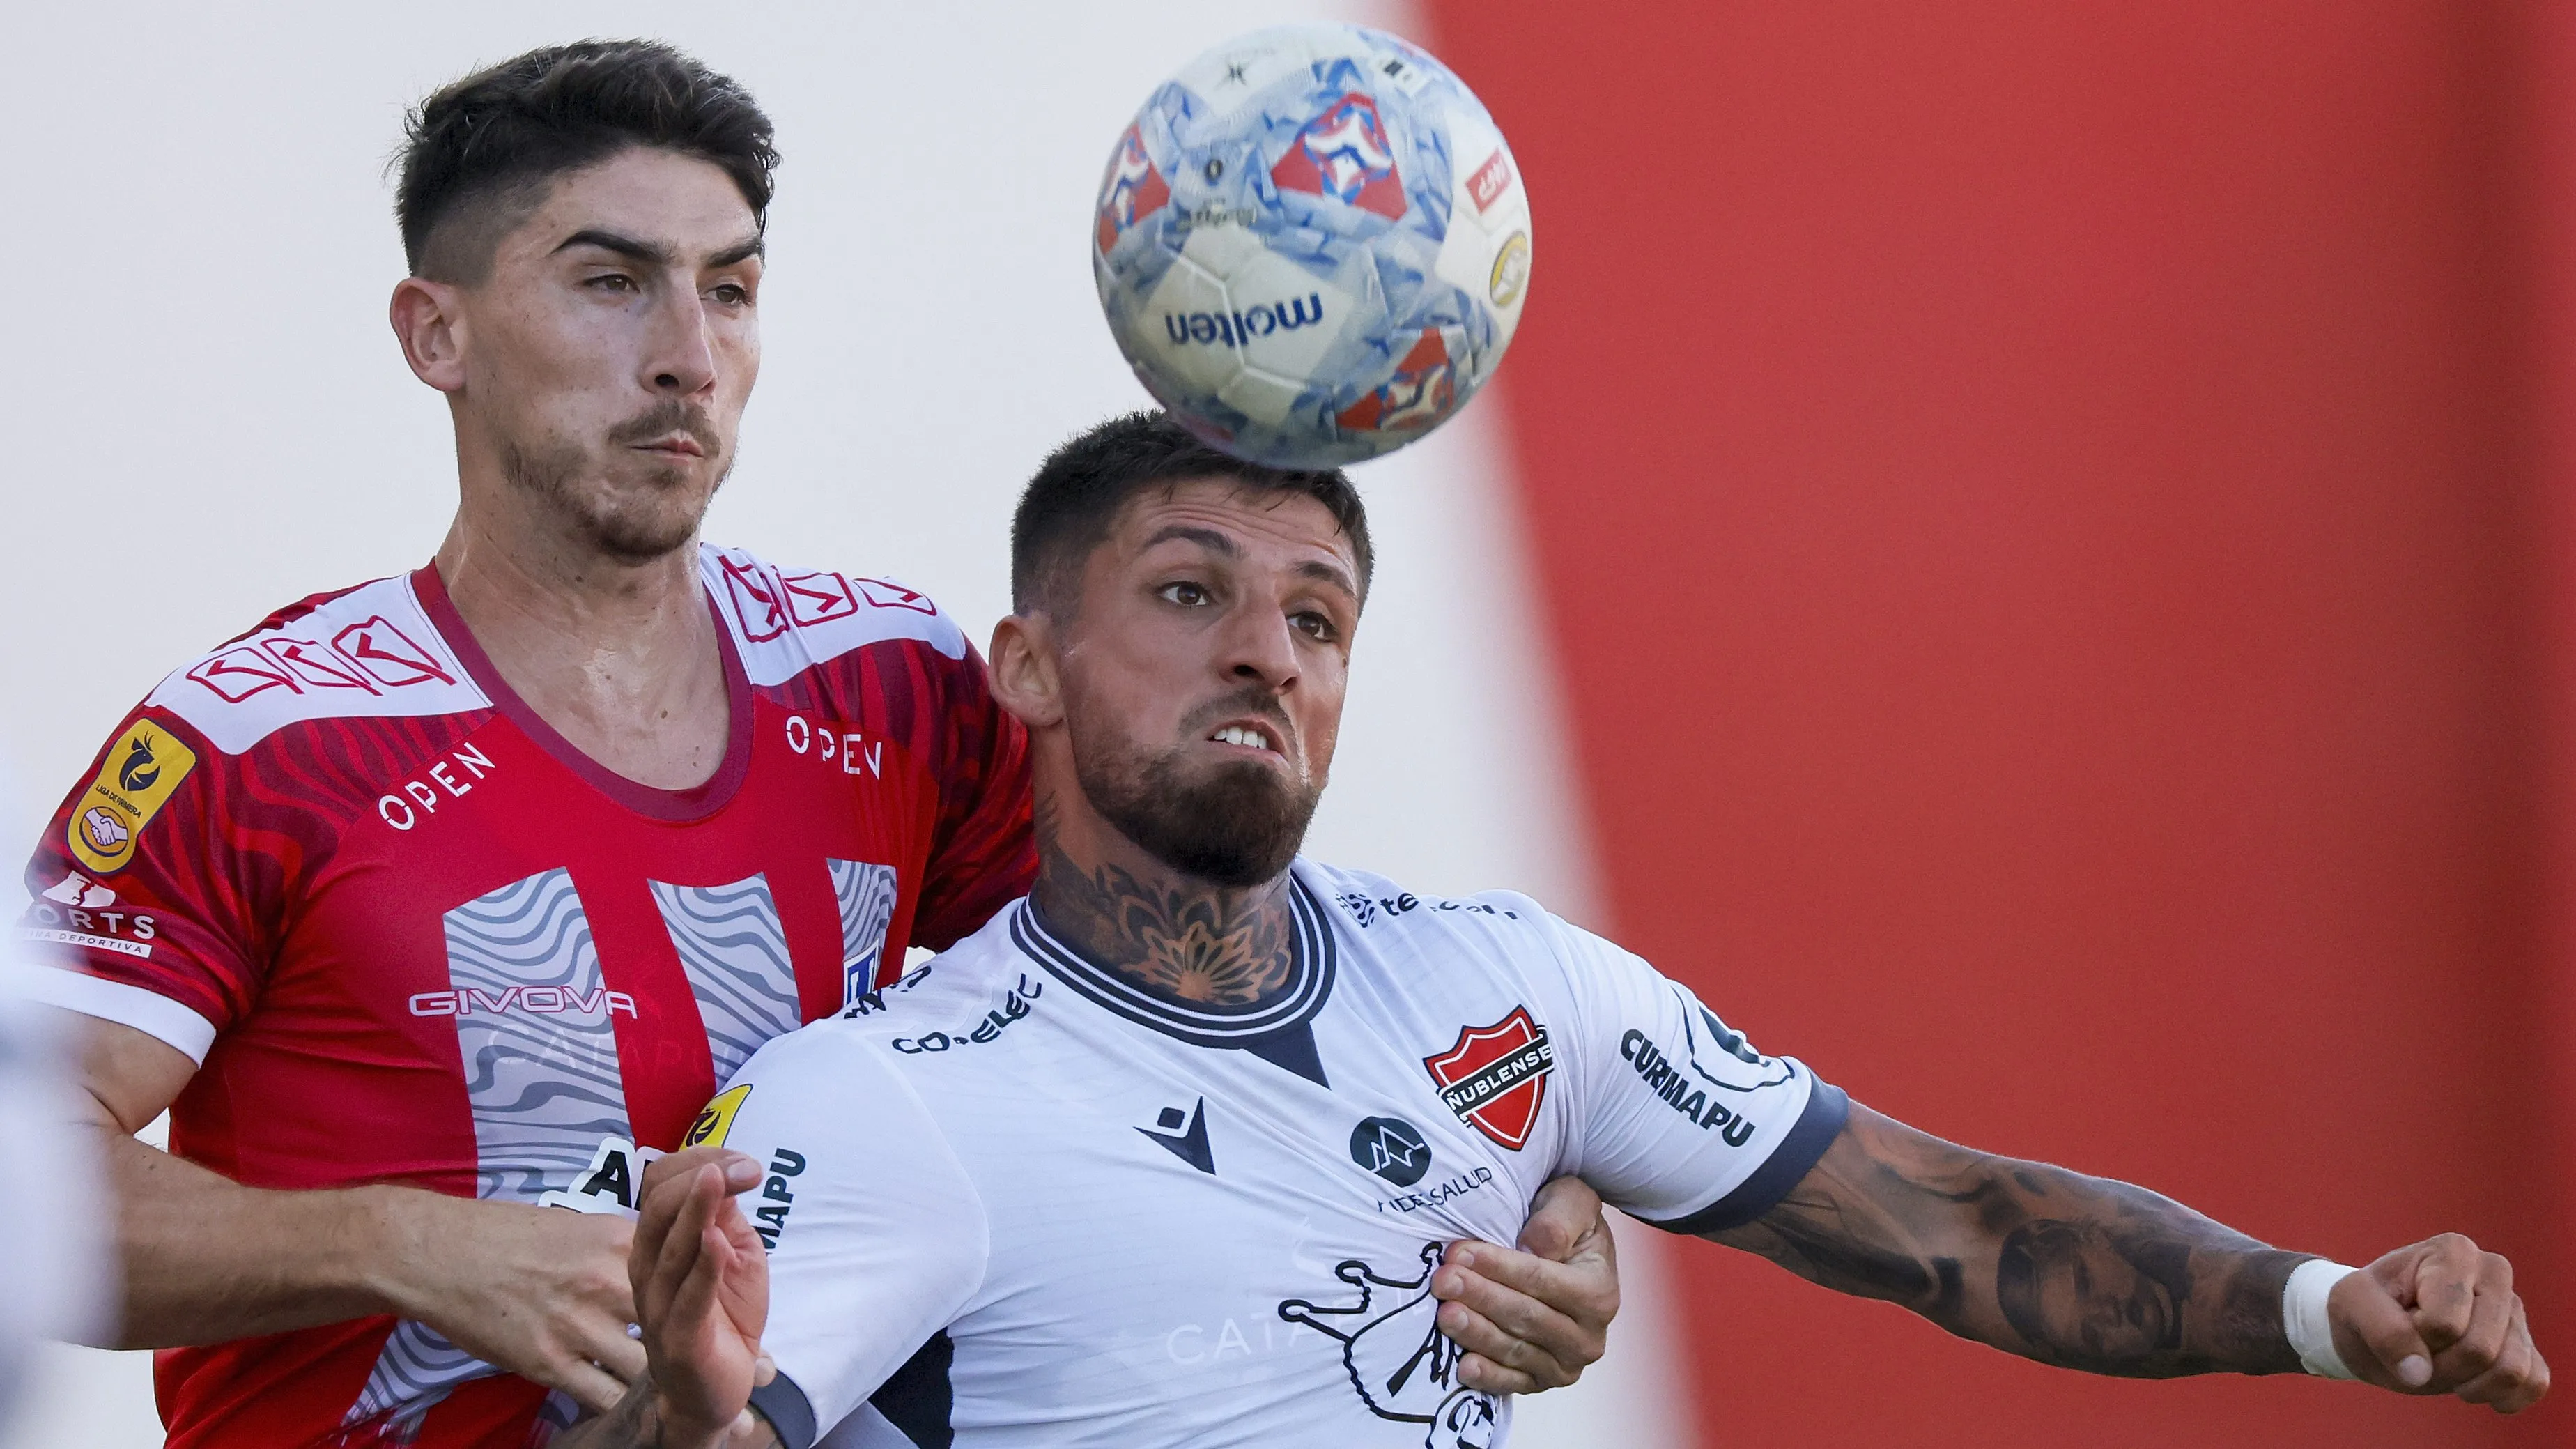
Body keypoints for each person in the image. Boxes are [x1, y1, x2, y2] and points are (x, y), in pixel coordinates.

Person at [10, 43, 1618, 1448]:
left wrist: (1512, 1202)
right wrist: (413, 1247)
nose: (687, 357)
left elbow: (1204, 1001)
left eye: (730, 288)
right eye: (609, 279)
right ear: (437, 334)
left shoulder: (896, 688)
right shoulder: (257, 743)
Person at [580, 413, 2549, 1448]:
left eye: (1319, 613)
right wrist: (671, 1411)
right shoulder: (892, 1097)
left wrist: (2325, 1308)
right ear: (1024, 661)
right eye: (1189, 591)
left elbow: (1952, 1224)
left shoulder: (1506, 981)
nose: (1266, 643)